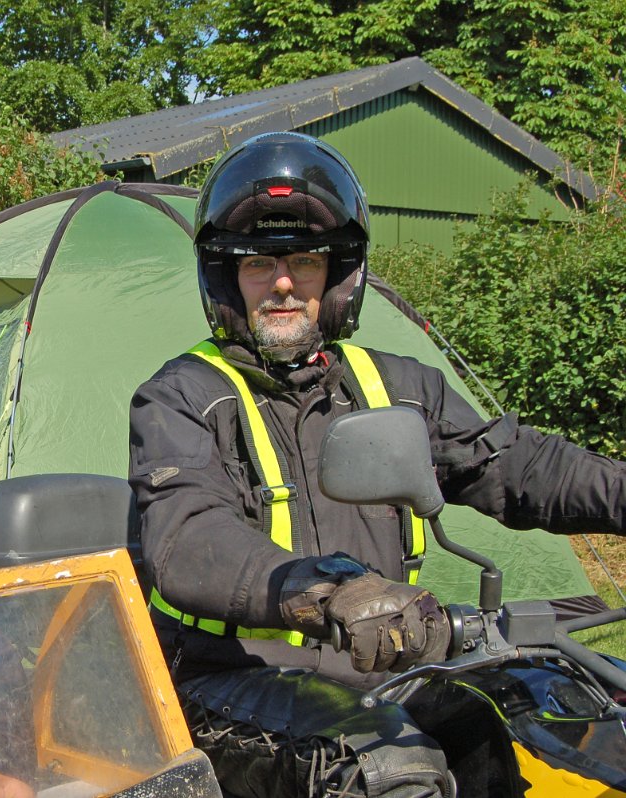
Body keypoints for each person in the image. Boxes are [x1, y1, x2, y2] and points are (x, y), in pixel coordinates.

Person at [128, 132, 626, 798]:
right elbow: (188, 536)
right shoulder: (182, 396)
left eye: (304, 261)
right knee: (388, 771)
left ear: (339, 277)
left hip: (383, 664)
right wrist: (333, 590)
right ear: (225, 277)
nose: (282, 283)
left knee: (543, 728)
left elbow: (515, 463)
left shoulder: (395, 385)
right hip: (229, 680)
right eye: (257, 264)